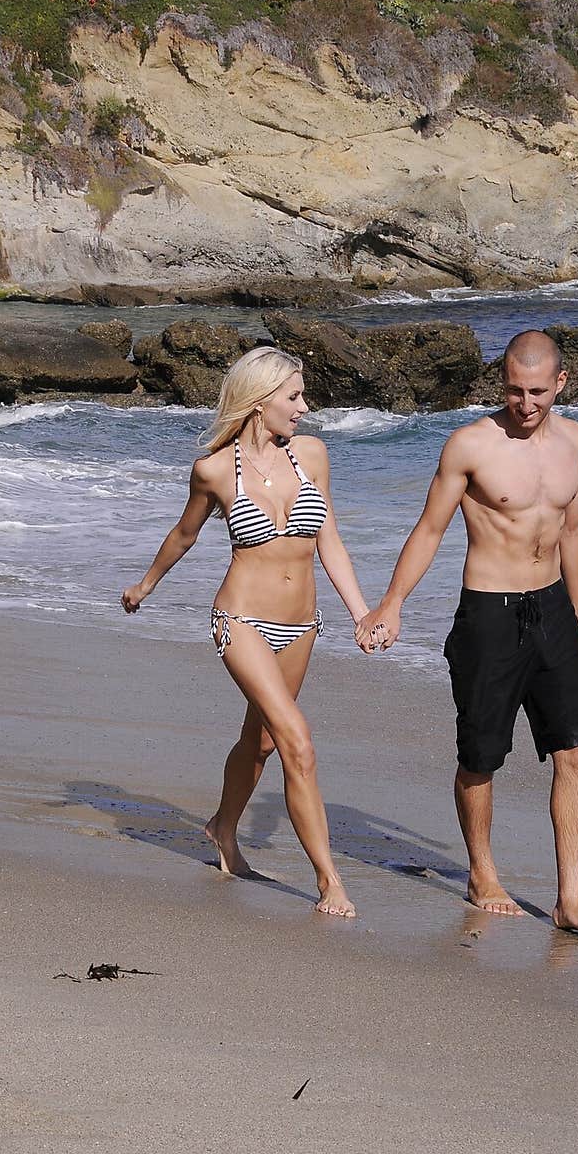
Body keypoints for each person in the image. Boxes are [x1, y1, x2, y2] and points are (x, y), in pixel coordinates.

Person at [356, 330, 578, 938]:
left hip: (553, 610)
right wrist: (391, 605)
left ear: (561, 383)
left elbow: (572, 529)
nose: (525, 404)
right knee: (480, 757)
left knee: (577, 752)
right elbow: (429, 530)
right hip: (489, 614)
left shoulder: (574, 440)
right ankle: (481, 872)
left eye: (537, 392)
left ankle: (570, 899)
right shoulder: (471, 444)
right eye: (514, 391)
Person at [121, 345, 374, 919]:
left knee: (260, 740)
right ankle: (329, 880)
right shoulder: (214, 469)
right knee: (296, 742)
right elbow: (184, 535)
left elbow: (329, 541)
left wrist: (361, 612)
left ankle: (222, 827)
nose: (305, 408)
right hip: (241, 621)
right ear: (260, 403)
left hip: (303, 624)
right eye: (294, 396)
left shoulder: (313, 456)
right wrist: (146, 586)